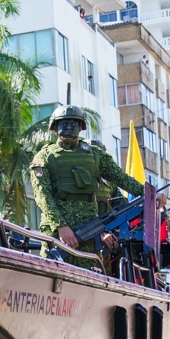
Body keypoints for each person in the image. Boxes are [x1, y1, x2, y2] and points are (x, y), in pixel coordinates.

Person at [30, 105, 148, 255]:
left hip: (90, 230)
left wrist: (148, 193)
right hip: (57, 235)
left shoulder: (95, 155)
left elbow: (121, 178)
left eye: (73, 124)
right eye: (64, 123)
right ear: (55, 127)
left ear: (81, 127)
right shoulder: (44, 157)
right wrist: (60, 226)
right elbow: (43, 196)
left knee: (91, 275)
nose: (68, 127)